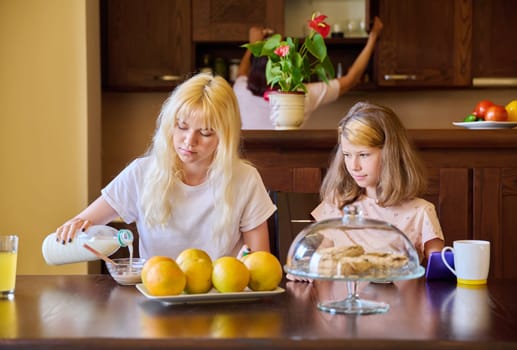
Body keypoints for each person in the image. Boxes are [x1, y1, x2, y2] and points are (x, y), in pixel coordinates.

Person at [55, 73, 276, 261]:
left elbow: (260, 264)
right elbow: (85, 223)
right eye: (181, 127)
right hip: (157, 296)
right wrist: (74, 227)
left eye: (206, 132)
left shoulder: (245, 179)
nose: (189, 141)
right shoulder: (141, 173)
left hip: (223, 300)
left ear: (225, 136)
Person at [311, 101, 444, 264]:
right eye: (347, 155)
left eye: (364, 155)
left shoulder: (421, 212)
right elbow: (315, 262)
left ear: (391, 154)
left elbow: (439, 276)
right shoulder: (335, 203)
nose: (354, 166)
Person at [233, 17, 384, 129]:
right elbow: (351, 79)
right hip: (290, 167)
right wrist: (373, 37)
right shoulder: (302, 94)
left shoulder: (241, 89)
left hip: (253, 162)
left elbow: (242, 72)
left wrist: (253, 45)